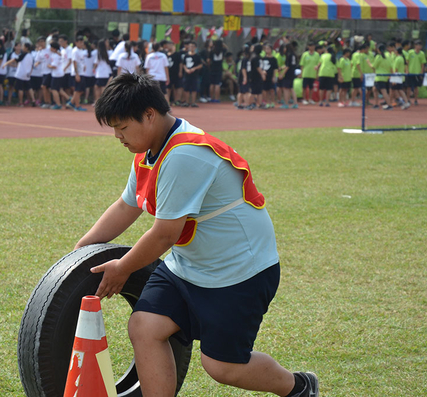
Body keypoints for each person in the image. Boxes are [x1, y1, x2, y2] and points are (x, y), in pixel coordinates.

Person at [76, 73, 319, 397]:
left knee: (222, 367)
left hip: (238, 272)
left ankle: (299, 387)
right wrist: (82, 249)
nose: (118, 136)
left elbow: (164, 235)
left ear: (149, 115)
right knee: (145, 327)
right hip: (188, 267)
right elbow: (126, 206)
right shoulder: (148, 151)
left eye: (122, 127)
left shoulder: (184, 154)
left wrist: (123, 268)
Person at [371, 44, 393, 110]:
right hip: (385, 76)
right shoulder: (388, 55)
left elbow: (373, 66)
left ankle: (389, 105)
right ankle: (376, 104)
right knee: (374, 89)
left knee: (383, 91)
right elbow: (391, 66)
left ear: (378, 50)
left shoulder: (379, 56)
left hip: (379, 76)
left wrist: (368, 62)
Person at [183, 41, 203, 107]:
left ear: (195, 47)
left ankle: (193, 102)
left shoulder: (197, 56)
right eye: (190, 46)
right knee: (186, 88)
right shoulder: (186, 55)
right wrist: (186, 69)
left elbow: (200, 65)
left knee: (194, 88)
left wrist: (194, 68)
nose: (191, 48)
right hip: (187, 74)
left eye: (192, 46)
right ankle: (187, 102)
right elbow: (183, 64)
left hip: (194, 74)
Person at [93, 39, 113, 104]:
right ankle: (102, 102)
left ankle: (98, 101)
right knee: (103, 87)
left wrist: (94, 69)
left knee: (98, 87)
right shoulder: (110, 52)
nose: (108, 43)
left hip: (100, 72)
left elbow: (96, 63)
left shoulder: (99, 53)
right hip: (107, 72)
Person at [406, 40, 426, 105]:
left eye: (420, 45)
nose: (419, 46)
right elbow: (407, 62)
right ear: (415, 45)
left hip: (417, 73)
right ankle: (408, 99)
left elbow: (422, 64)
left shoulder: (422, 54)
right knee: (409, 87)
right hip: (410, 72)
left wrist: (421, 72)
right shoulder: (410, 52)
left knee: (416, 87)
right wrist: (407, 70)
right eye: (417, 45)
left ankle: (415, 100)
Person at [279, 43, 298, 109]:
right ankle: (295, 103)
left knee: (285, 88)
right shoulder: (294, 55)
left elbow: (287, 66)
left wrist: (282, 74)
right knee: (291, 88)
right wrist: (281, 68)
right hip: (292, 73)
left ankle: (286, 103)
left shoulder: (288, 55)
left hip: (288, 74)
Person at [166, 41, 184, 107]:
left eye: (170, 45)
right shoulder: (165, 54)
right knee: (168, 88)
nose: (169, 46)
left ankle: (177, 100)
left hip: (176, 73)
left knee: (178, 87)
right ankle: (167, 101)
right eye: (168, 45)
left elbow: (180, 63)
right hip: (168, 73)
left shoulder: (177, 54)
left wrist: (180, 71)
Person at [261, 44, 278, 108]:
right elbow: (261, 68)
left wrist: (274, 76)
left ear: (271, 50)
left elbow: (275, 69)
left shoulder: (274, 59)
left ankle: (273, 102)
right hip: (265, 76)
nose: (267, 50)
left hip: (271, 76)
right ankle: (267, 102)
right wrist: (263, 73)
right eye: (266, 49)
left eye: (268, 49)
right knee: (266, 90)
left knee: (272, 90)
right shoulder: (263, 58)